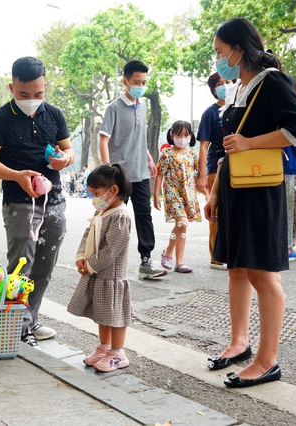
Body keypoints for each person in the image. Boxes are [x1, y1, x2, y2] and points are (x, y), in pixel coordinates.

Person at [203, 18, 296, 388]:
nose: (219, 60)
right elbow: (224, 149)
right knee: (237, 267)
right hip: (235, 186)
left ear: (239, 47)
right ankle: (239, 343)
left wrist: (250, 143)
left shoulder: (272, 81)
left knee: (262, 272)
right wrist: (215, 191)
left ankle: (267, 361)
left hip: (260, 187)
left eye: (221, 52)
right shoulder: (238, 89)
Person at [0, 56, 75, 347]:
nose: (31, 100)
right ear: (12, 87)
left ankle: (29, 320)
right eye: (23, 95)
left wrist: (64, 160)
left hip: (54, 200)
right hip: (19, 202)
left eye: (38, 94)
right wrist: (17, 176)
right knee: (22, 264)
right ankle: (14, 325)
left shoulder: (55, 115)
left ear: (45, 86)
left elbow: (68, 150)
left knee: (45, 266)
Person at [99, 60, 167, 280]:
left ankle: (146, 261)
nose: (141, 85)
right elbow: (103, 139)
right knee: (111, 217)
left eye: (144, 82)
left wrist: (148, 157)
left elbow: (138, 136)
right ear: (125, 82)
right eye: (137, 81)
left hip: (140, 172)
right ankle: (100, 260)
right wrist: (107, 170)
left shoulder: (143, 105)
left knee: (144, 216)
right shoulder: (114, 108)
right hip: (119, 174)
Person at [67, 164, 133, 372]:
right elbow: (87, 234)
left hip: (111, 276)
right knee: (103, 315)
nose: (93, 198)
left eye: (96, 193)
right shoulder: (102, 211)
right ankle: (104, 347)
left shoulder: (120, 216)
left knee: (116, 316)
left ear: (113, 190)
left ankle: (118, 352)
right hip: (99, 274)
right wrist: (81, 257)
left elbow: (112, 249)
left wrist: (91, 265)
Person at [196, 72, 234, 270]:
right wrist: (202, 176)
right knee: (215, 213)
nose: (225, 86)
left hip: (235, 167)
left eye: (228, 82)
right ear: (213, 89)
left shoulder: (237, 108)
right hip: (214, 169)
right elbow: (203, 146)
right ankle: (216, 256)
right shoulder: (210, 113)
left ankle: (231, 252)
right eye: (220, 83)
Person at [153, 121, 202, 273]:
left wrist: (206, 193)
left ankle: (179, 263)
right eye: (179, 134)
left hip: (188, 193)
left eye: (186, 135)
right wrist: (156, 195)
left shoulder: (192, 155)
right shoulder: (167, 154)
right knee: (182, 222)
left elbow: (197, 177)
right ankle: (168, 251)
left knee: (184, 227)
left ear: (191, 136)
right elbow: (159, 175)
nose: (183, 138)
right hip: (172, 192)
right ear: (172, 135)